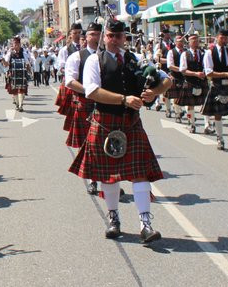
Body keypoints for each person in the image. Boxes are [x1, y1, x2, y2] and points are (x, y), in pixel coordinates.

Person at [68, 20, 171, 243]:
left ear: (125, 37)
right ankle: (114, 218)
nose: (114, 40)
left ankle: (145, 223)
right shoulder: (95, 60)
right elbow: (92, 92)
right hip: (105, 122)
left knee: (139, 173)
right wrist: (124, 99)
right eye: (110, 36)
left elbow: (166, 80)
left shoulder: (135, 59)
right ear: (104, 37)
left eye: (119, 36)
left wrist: (154, 93)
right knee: (109, 175)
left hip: (130, 123)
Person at [62, 22, 101, 194]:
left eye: (99, 33)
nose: (96, 37)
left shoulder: (109, 55)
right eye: (92, 34)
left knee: (106, 144)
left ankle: (110, 181)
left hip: (106, 105)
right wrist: (91, 91)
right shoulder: (76, 57)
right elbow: (70, 81)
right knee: (90, 144)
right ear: (86, 38)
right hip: (86, 103)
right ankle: (93, 179)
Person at [200, 29, 228, 151]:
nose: (224, 40)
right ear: (217, 37)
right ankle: (220, 139)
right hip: (217, 85)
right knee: (217, 114)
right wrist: (226, 74)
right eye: (222, 38)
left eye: (226, 38)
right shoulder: (210, 53)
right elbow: (209, 73)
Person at [177, 32, 208, 134]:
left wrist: (205, 73)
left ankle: (207, 125)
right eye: (193, 39)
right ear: (189, 42)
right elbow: (183, 70)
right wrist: (195, 74)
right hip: (190, 82)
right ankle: (192, 124)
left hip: (202, 81)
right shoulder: (184, 54)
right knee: (190, 105)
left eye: (196, 39)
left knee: (206, 103)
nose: (195, 41)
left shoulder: (204, 53)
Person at [4, 36, 31, 111]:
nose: (15, 45)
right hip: (12, 73)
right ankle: (17, 104)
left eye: (17, 44)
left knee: (21, 90)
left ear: (19, 44)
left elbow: (27, 63)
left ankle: (20, 105)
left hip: (22, 73)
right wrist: (3, 62)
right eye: (14, 44)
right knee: (14, 90)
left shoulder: (24, 52)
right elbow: (6, 63)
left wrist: (29, 71)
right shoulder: (10, 53)